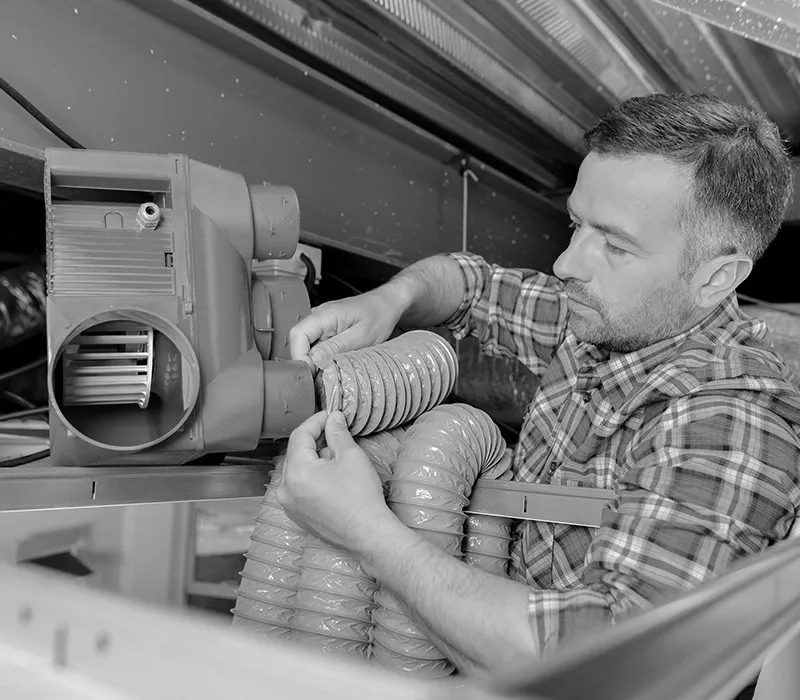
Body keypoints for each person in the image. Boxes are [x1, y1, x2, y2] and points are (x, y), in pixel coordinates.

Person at [279, 93, 800, 677]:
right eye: (577, 225)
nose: (567, 265)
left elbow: (612, 666)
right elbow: (471, 285)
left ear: (717, 278)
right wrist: (389, 300)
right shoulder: (609, 323)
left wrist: (365, 534)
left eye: (617, 245)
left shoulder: (728, 423)